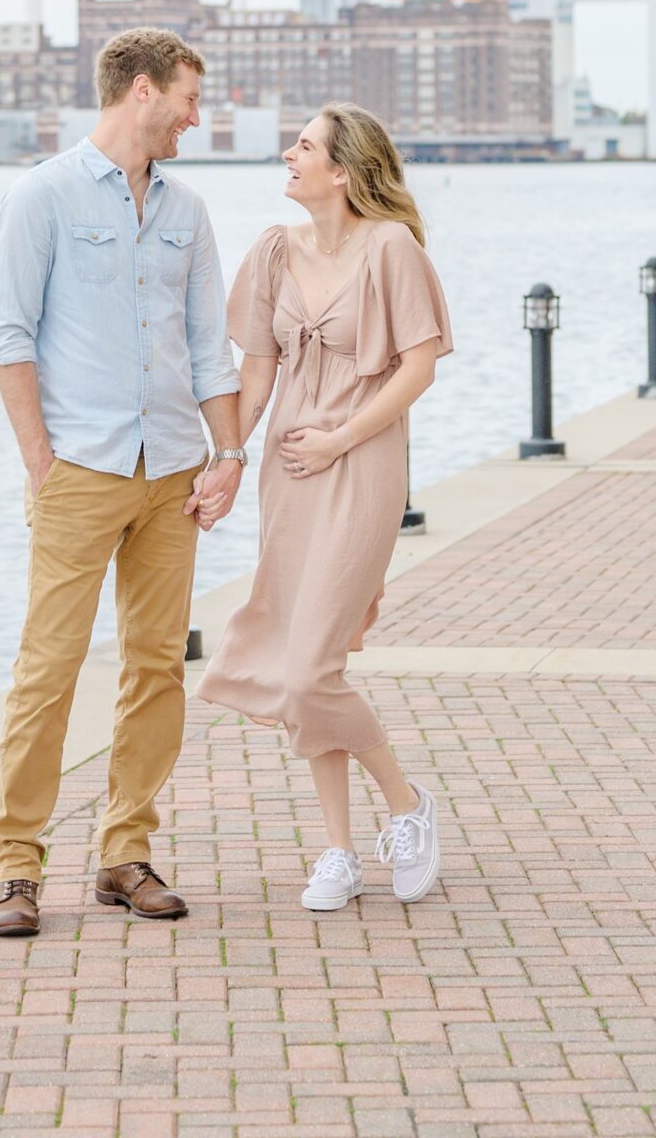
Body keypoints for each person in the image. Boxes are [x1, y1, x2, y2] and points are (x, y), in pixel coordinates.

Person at [0, 28, 247, 938]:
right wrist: (40, 464)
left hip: (171, 471)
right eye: (187, 99)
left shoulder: (188, 211)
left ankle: (123, 853)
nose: (194, 118)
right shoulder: (41, 196)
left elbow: (210, 346)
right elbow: (7, 336)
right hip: (80, 472)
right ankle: (16, 867)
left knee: (154, 667)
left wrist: (230, 456)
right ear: (142, 91)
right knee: (47, 671)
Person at [197, 103, 453, 912]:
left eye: (303, 146)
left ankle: (407, 805)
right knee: (304, 658)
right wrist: (228, 457)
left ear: (342, 170)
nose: (288, 154)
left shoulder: (392, 249)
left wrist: (340, 438)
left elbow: (417, 369)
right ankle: (338, 851)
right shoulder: (273, 251)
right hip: (289, 472)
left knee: (308, 669)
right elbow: (259, 371)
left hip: (362, 461)